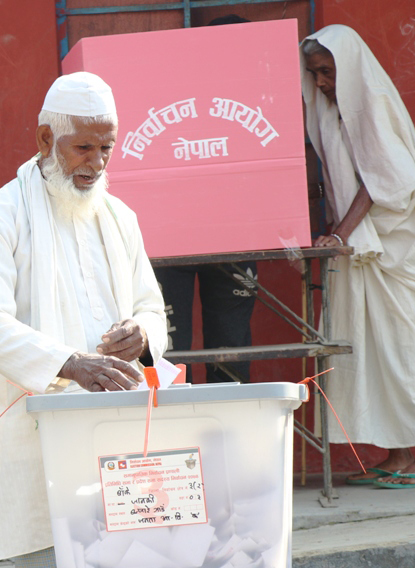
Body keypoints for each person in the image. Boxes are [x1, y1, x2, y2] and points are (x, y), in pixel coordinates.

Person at [0, 72, 167, 568]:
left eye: (107, 147)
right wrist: (71, 364)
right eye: (83, 146)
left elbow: (151, 306)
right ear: (43, 138)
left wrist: (144, 334)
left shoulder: (120, 217)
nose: (97, 162)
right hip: (38, 439)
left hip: (120, 436)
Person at [301, 24, 415, 489]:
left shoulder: (375, 105)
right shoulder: (334, 111)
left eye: (328, 72)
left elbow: (385, 181)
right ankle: (399, 452)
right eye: (315, 74)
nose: (322, 82)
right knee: (371, 349)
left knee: (408, 348)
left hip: (394, 252)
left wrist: (340, 233)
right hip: (361, 251)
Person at [155, 13, 256, 384]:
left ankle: (226, 432)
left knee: (231, 345)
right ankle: (176, 436)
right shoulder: (166, 95)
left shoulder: (263, 100)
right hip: (169, 238)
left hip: (237, 236)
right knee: (168, 348)